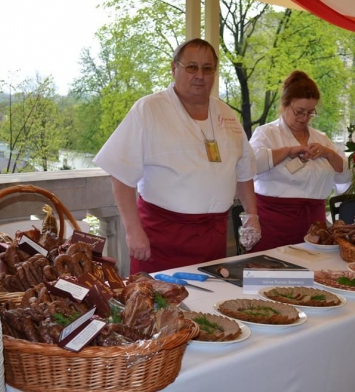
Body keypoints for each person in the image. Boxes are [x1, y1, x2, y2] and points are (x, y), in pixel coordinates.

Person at [94, 38, 260, 274]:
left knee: (210, 297)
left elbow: (244, 172)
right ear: (174, 69)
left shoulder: (226, 114)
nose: (200, 75)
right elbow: (121, 176)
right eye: (191, 67)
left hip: (212, 239)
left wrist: (252, 215)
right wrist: (133, 231)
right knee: (156, 297)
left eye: (207, 68)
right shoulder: (149, 109)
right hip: (160, 239)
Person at [248, 70, 350, 252]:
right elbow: (251, 166)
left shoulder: (321, 138)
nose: (304, 118)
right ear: (285, 105)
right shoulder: (266, 133)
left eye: (310, 113)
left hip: (315, 226)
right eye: (299, 112)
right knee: (272, 268)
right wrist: (287, 151)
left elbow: (345, 177)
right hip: (274, 225)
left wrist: (329, 154)